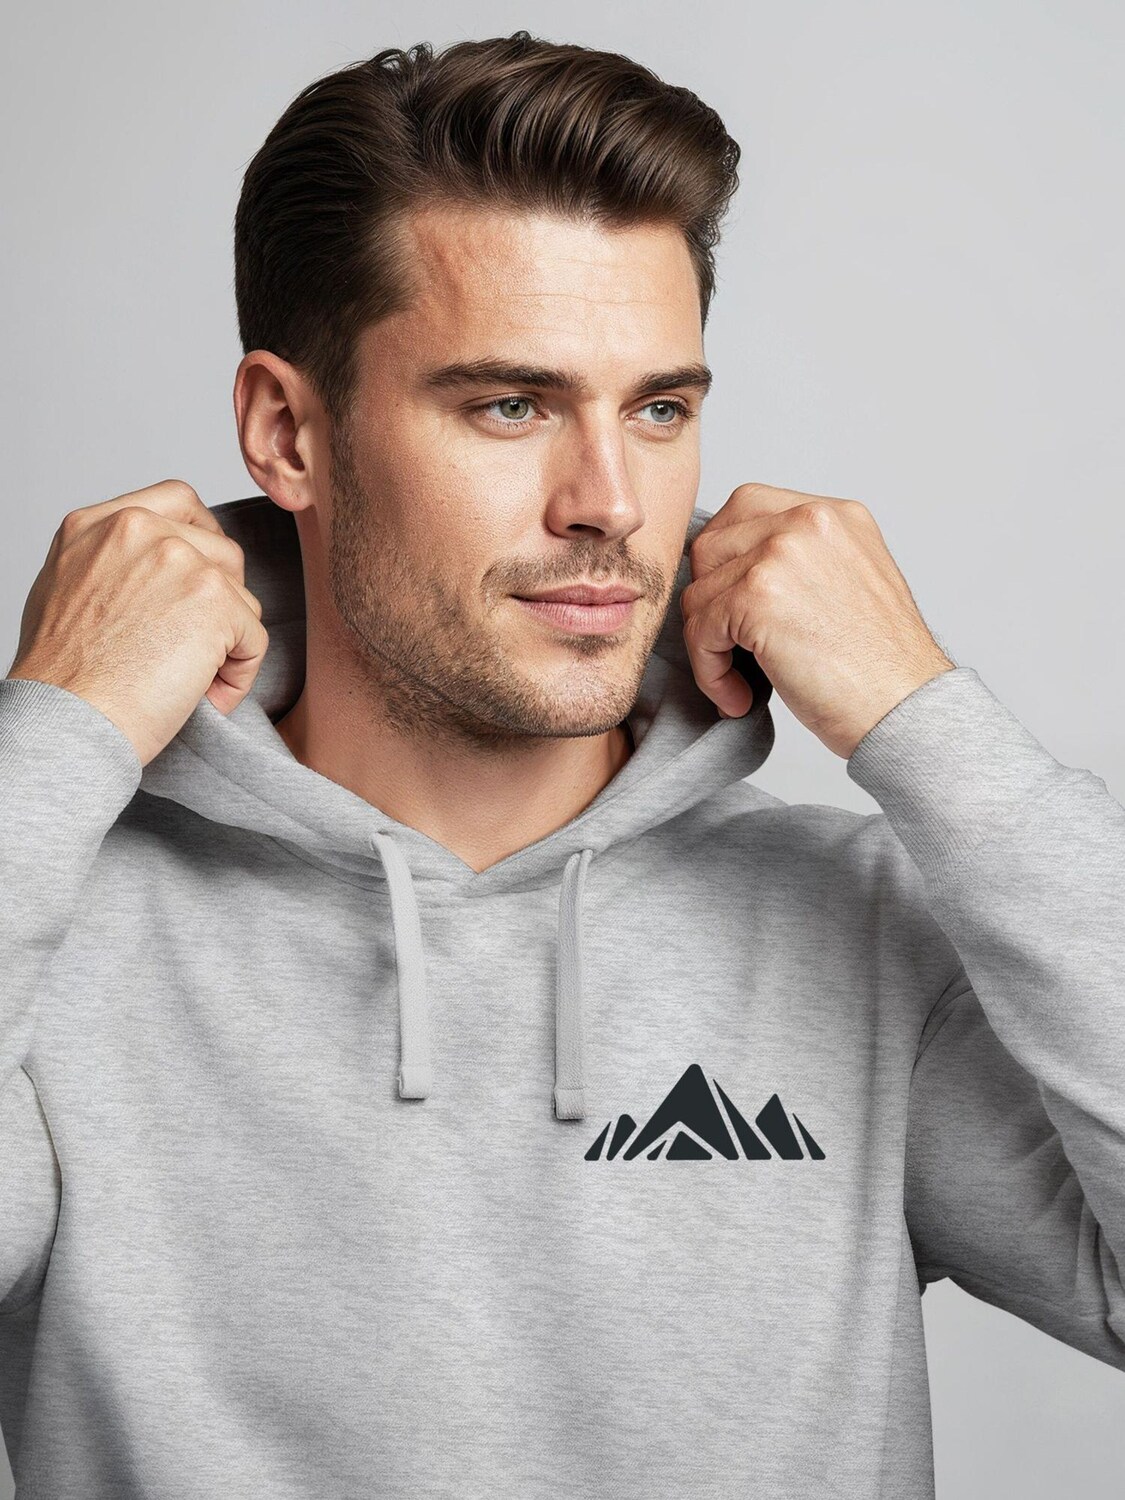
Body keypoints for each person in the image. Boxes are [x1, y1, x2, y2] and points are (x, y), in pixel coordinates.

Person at [1, 29, 1122, 1500]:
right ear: (288, 431)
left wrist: (928, 723)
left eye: (658, 410)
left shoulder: (858, 926)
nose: (610, 503)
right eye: (509, 405)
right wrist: (58, 736)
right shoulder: (57, 935)